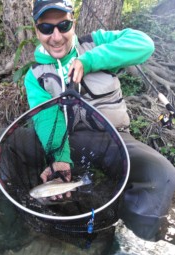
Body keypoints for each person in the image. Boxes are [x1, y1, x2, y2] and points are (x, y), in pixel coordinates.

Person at [24, 0, 175, 241]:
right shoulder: (35, 76)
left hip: (116, 139)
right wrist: (60, 160)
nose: (56, 36)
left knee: (162, 174)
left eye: (63, 25)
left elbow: (143, 45)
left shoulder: (97, 42)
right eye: (46, 28)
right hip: (71, 142)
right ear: (36, 30)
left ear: (73, 23)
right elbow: (46, 118)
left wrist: (89, 61)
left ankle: (137, 238)